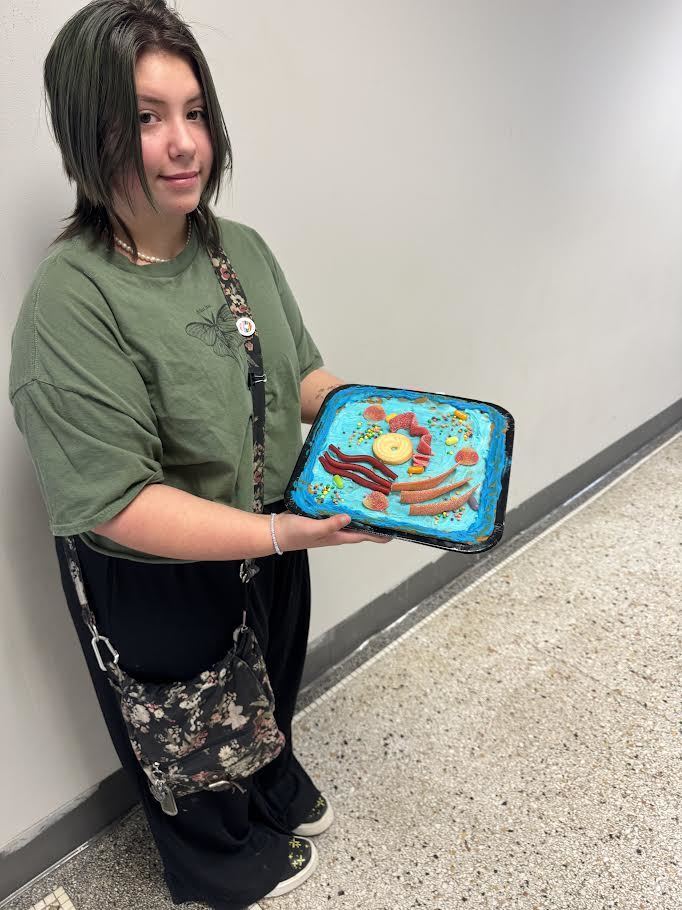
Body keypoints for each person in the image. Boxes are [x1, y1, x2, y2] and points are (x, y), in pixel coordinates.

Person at [8, 2, 392, 907]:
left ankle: (271, 779)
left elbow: (298, 373)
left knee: (267, 679)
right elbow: (116, 501)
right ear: (86, 131)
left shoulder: (237, 247)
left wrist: (385, 422)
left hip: (273, 534)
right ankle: (221, 861)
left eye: (195, 111)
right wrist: (284, 534)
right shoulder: (71, 304)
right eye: (145, 117)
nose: (184, 143)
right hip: (158, 572)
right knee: (187, 727)